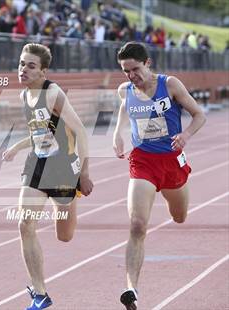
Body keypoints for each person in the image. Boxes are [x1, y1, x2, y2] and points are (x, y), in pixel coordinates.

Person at [112, 42, 206, 310]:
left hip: (172, 162)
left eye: (135, 69)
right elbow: (123, 108)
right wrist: (118, 134)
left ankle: (171, 197)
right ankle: (132, 290)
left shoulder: (170, 84)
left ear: (148, 63)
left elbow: (199, 115)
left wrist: (186, 135)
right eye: (126, 71)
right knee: (137, 225)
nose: (132, 76)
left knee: (179, 216)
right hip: (143, 162)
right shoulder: (125, 90)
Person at [2, 43, 94, 310]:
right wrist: (17, 148)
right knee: (24, 225)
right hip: (36, 165)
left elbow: (81, 132)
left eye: (31, 66)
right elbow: (38, 133)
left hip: (64, 167)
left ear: (43, 71)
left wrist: (84, 173)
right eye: (21, 64)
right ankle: (40, 293)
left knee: (64, 235)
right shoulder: (24, 96)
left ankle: (70, 200)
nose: (24, 70)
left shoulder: (52, 92)